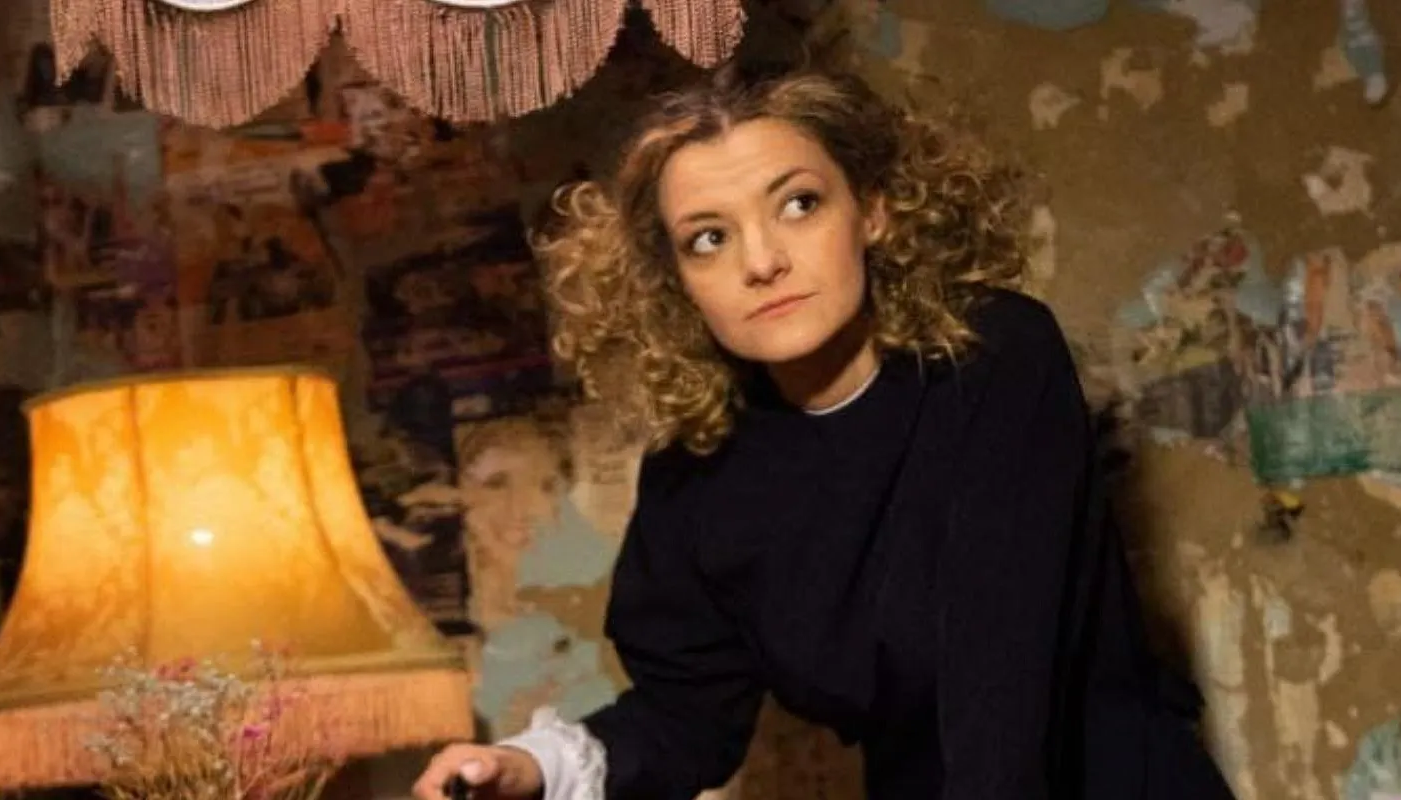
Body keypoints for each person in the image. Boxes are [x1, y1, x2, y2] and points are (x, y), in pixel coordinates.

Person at [413, 66, 1236, 800]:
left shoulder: (993, 357)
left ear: (872, 211)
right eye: (709, 238)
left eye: (798, 204)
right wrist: (528, 768)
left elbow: (999, 677)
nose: (761, 262)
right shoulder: (696, 476)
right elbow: (684, 717)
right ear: (678, 282)